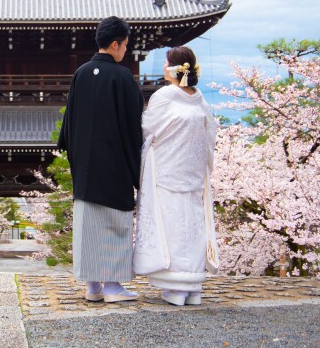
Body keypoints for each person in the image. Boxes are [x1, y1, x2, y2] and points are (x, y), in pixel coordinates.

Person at [58, 16, 144, 303]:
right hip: (114, 165)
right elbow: (133, 128)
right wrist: (137, 170)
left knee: (89, 224)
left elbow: (68, 123)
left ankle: (93, 285)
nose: (126, 52)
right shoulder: (123, 78)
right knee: (114, 223)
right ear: (115, 44)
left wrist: (75, 156)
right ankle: (112, 285)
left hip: (84, 166)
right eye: (125, 46)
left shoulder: (81, 73)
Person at [133, 46, 219, 306]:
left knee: (171, 225)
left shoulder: (165, 96)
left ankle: (175, 286)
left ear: (173, 68)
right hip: (193, 174)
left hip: (168, 172)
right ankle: (192, 285)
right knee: (193, 226)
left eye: (166, 63)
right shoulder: (199, 99)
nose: (162, 67)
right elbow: (210, 134)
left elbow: (148, 129)